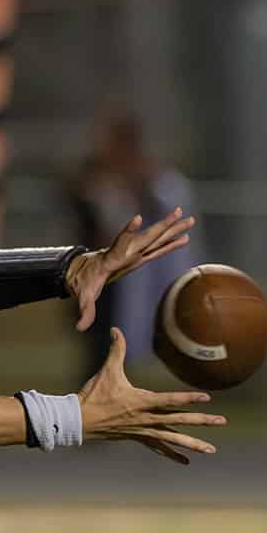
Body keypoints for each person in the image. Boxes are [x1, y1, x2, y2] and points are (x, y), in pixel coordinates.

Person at [68, 110, 199, 377]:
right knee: (96, 344)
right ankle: (89, 397)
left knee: (112, 341)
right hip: (91, 269)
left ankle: (104, 392)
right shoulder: (94, 175)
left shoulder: (144, 178)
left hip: (120, 276)